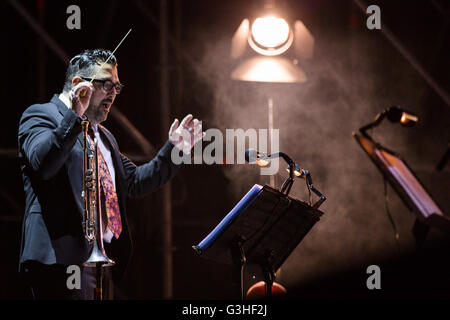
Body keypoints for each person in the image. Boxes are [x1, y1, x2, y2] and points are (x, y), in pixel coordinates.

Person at [17, 49, 203, 299]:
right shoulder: (40, 115)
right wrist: (74, 116)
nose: (113, 94)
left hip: (98, 264)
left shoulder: (103, 136)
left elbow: (135, 182)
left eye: (116, 87)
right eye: (106, 85)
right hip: (58, 261)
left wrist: (176, 150)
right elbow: (44, 164)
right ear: (78, 85)